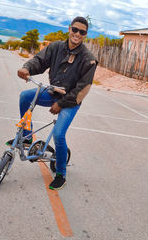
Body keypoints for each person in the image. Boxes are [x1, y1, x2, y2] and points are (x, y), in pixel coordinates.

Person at [7, 16, 98, 190]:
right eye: (75, 29)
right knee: (25, 96)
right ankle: (26, 137)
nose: (77, 34)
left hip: (71, 101)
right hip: (52, 92)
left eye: (82, 32)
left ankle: (61, 174)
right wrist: (26, 68)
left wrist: (61, 104)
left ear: (85, 35)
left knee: (58, 135)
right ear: (69, 29)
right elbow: (39, 61)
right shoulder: (56, 47)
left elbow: (82, 89)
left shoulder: (88, 59)